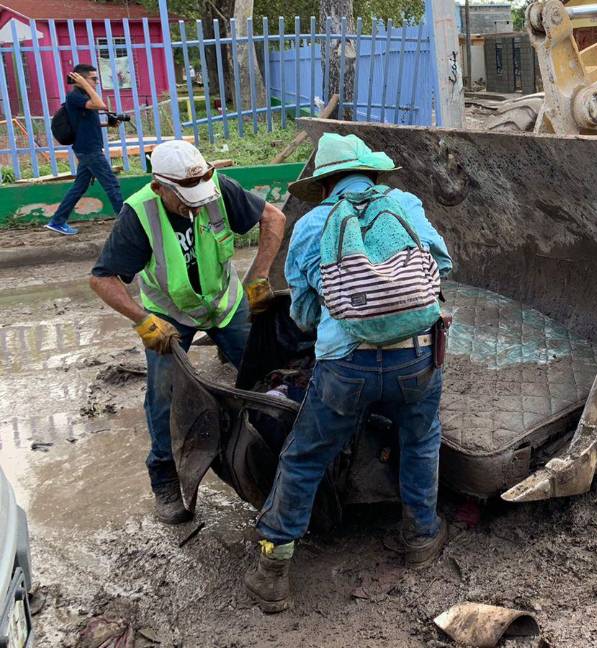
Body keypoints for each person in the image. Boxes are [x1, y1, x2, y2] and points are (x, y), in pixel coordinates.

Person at [244, 133, 453, 614]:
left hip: (346, 368)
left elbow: (302, 313)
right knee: (420, 438)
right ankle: (421, 536)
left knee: (306, 455)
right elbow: (440, 264)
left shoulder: (313, 224)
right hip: (419, 357)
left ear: (324, 183)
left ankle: (273, 571)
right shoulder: (405, 205)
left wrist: (342, 318)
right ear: (372, 172)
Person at [89, 140, 285, 524]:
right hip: (171, 313)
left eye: (199, 196)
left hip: (224, 304)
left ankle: (273, 455)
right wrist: (140, 318)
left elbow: (274, 218)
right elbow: (102, 279)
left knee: (264, 376)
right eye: (185, 199)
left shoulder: (216, 189)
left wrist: (258, 276)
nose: (195, 205)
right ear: (160, 187)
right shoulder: (139, 214)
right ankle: (163, 475)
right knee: (163, 395)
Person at [45, 64, 124, 236]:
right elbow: (101, 104)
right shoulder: (75, 96)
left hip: (88, 148)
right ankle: (127, 224)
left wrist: (108, 124)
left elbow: (86, 122)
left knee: (79, 187)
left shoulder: (83, 96)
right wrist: (83, 83)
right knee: (112, 185)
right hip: (89, 150)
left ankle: (57, 221)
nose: (96, 82)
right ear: (80, 79)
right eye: (93, 79)